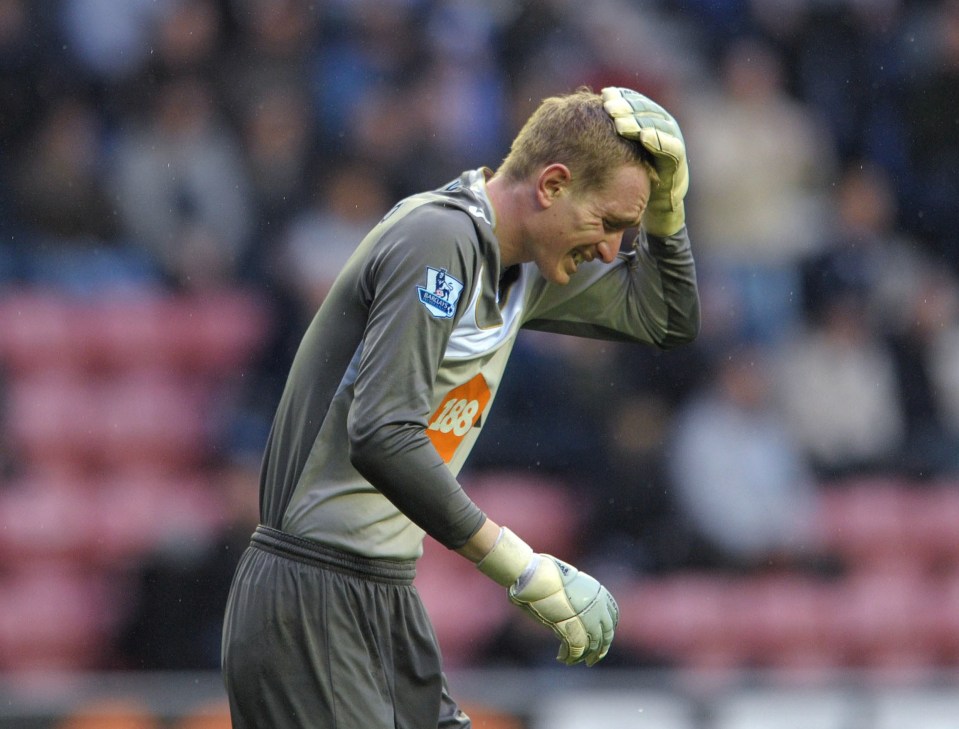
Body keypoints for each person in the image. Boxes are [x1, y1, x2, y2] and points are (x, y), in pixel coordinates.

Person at [221, 86, 699, 729]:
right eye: (610, 224)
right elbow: (383, 432)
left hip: (384, 594)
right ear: (553, 185)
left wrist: (667, 212)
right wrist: (521, 568)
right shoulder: (437, 237)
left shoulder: (524, 266)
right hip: (311, 594)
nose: (614, 251)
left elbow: (665, 316)